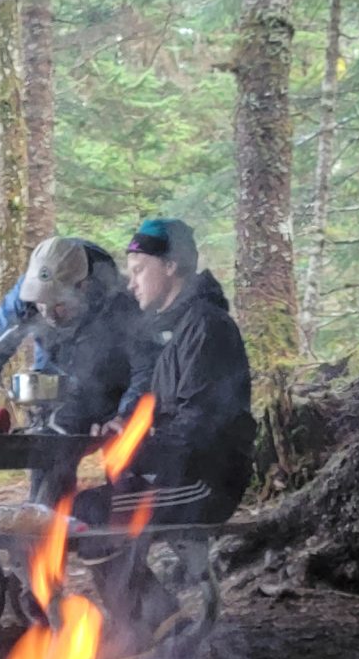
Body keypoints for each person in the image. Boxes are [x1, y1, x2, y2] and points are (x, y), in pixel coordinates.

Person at [79, 216, 255, 633]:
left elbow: (200, 427)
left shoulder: (207, 328)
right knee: (86, 509)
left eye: (139, 270)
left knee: (89, 513)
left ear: (172, 266)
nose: (131, 284)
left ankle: (156, 627)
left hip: (207, 481)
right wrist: (124, 429)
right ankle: (151, 623)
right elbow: (163, 414)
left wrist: (137, 448)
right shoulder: (182, 328)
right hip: (179, 473)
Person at [0, 235, 140, 500]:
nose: (47, 314)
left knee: (123, 477)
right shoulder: (28, 293)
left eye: (59, 305)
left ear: (83, 287)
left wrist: (125, 413)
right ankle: (45, 516)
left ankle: (118, 519)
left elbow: (145, 367)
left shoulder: (119, 301)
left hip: (114, 390)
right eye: (41, 304)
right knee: (49, 452)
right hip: (57, 388)